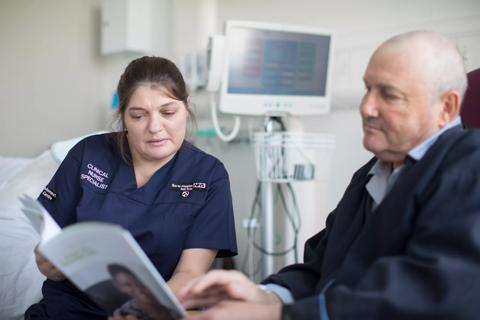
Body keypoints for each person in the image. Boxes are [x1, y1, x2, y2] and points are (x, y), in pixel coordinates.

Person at [178, 30, 480, 319]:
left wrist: (277, 315)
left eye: (389, 95)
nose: (366, 107)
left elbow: (430, 295)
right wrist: (265, 294)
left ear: (447, 107)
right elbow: (321, 267)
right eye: (367, 89)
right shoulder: (371, 175)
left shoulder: (468, 165)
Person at [25, 56, 237, 319]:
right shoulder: (87, 154)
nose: (155, 127)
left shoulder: (209, 175)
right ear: (123, 116)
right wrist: (49, 264)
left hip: (153, 313)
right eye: (138, 116)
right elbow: (52, 242)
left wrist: (143, 312)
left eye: (168, 112)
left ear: (186, 107)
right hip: (68, 309)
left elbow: (189, 274)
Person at [107, 264, 175, 320]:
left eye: (136, 281)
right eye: (128, 285)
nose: (136, 287)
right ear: (120, 288)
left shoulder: (163, 300)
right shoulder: (123, 313)